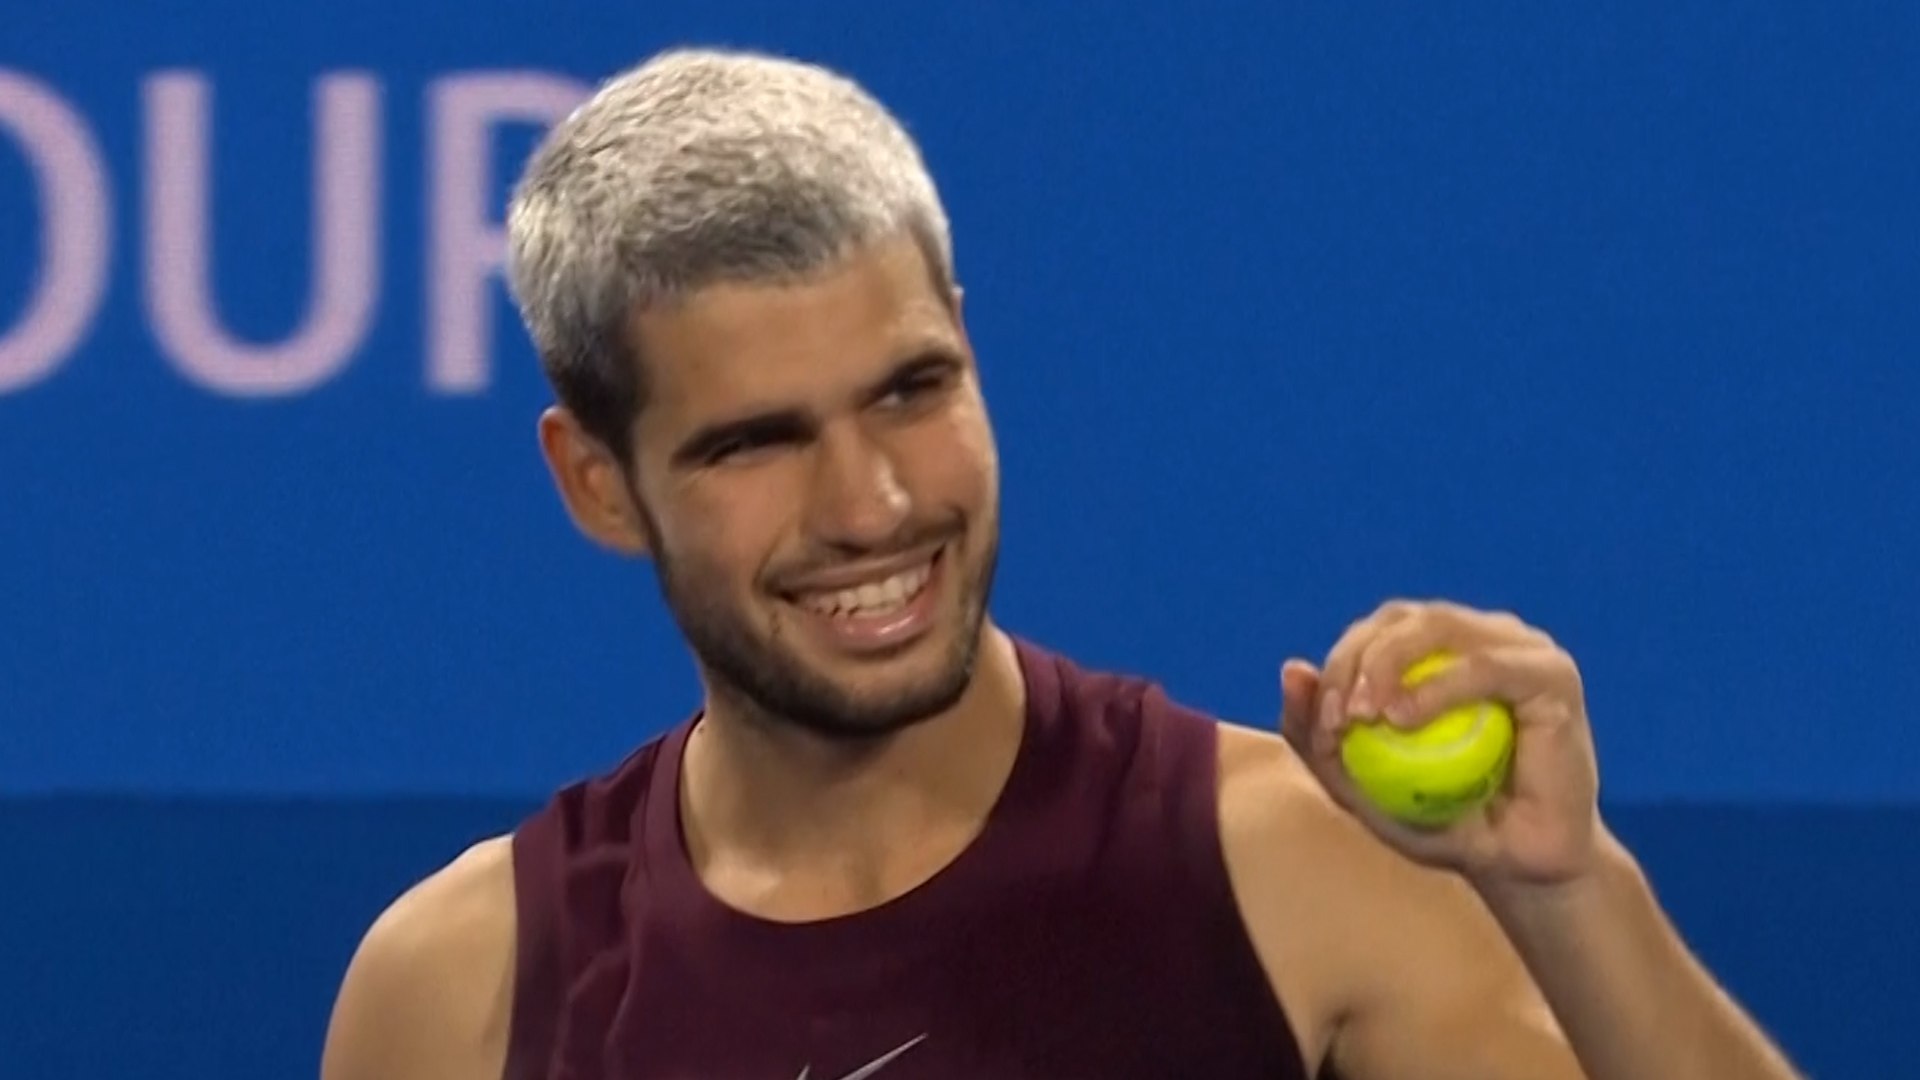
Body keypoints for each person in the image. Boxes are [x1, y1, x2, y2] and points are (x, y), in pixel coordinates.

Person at [320, 46, 1803, 1080]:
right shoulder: (460, 995)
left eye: (914, 389)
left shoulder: (1291, 866)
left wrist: (1568, 893)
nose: (874, 502)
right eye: (756, 443)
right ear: (599, 482)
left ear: (968, 339)